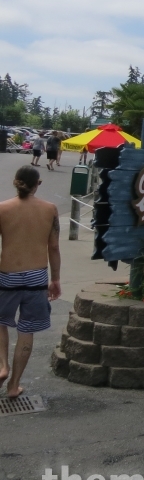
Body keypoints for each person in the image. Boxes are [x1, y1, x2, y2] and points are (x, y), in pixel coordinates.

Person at [0, 166, 61, 398]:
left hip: (7, 276)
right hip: (36, 276)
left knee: (1, 321)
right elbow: (53, 247)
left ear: (15, 182)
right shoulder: (50, 209)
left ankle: (2, 367)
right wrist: (55, 278)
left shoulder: (2, 209)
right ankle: (14, 385)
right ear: (38, 184)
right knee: (27, 330)